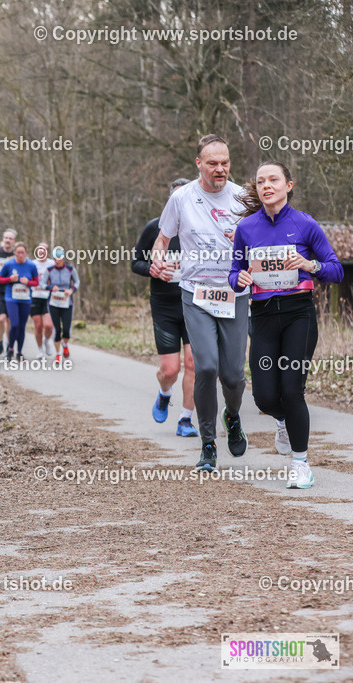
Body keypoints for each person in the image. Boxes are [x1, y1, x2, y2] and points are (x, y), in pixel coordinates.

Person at [229, 161, 344, 489]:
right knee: (265, 398)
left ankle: (300, 463)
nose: (266, 185)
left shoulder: (305, 225)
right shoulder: (247, 228)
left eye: (273, 180)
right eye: (261, 181)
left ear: (288, 185)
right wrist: (240, 278)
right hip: (263, 314)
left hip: (298, 313)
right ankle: (281, 420)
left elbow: (336, 270)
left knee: (292, 390)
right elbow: (233, 273)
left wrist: (310, 264)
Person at [152, 134, 249, 472]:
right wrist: (158, 262)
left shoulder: (242, 197)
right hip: (196, 293)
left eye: (224, 162)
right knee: (206, 366)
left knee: (234, 375)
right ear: (199, 164)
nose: (219, 169)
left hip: (234, 294)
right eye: (212, 163)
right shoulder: (181, 198)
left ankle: (232, 417)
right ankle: (208, 444)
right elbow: (162, 239)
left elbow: (260, 240)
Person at [131, 178, 199, 438]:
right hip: (165, 306)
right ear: (170, 201)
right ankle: (164, 393)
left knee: (193, 363)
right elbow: (135, 263)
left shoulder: (200, 229)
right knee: (171, 369)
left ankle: (185, 419)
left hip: (194, 303)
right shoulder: (155, 229)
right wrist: (152, 269)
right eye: (176, 200)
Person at [0, 242, 37, 362]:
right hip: (11, 298)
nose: (20, 254)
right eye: (18, 252)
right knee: (14, 324)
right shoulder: (9, 264)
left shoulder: (31, 265)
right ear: (15, 253)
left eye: (22, 252)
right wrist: (9, 279)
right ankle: (10, 349)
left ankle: (19, 352)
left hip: (25, 299)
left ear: (26, 253)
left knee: (22, 326)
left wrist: (28, 282)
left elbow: (36, 282)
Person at [43, 247, 79, 363]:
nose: (57, 261)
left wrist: (71, 290)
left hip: (67, 302)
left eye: (59, 258)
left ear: (63, 258)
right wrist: (50, 287)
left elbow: (77, 282)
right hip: (53, 302)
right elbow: (42, 284)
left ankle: (65, 344)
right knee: (57, 329)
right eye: (55, 258)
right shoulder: (49, 270)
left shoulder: (70, 269)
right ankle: (58, 354)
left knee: (67, 329)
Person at [0, 230, 18, 357]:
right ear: (3, 239)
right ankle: (0, 343)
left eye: (10, 238)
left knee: (9, 320)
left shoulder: (16, 254)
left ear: (14, 241)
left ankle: (9, 345)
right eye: (6, 237)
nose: (7, 240)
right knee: (0, 319)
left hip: (11, 289)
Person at [30, 242, 56, 359]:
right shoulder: (31, 264)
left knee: (49, 325)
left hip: (48, 297)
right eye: (40, 249)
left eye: (44, 249)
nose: (42, 251)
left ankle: (46, 341)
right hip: (34, 296)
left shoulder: (52, 264)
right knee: (38, 326)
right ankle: (40, 349)